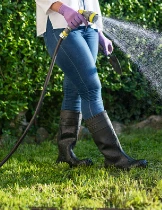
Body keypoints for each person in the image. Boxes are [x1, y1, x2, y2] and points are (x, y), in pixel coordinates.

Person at [35, 0, 147, 169]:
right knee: (91, 88)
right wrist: (64, 9)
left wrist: (99, 32)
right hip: (61, 25)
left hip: (89, 29)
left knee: (74, 88)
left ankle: (65, 153)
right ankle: (115, 158)